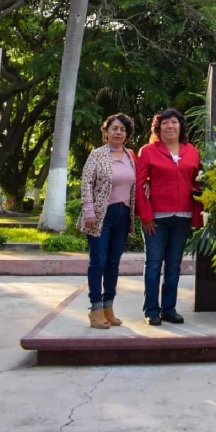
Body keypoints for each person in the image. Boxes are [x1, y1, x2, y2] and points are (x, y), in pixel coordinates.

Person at [136, 108, 202, 326]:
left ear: (181, 126)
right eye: (165, 123)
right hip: (156, 219)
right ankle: (151, 310)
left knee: (174, 265)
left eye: (174, 122)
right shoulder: (147, 151)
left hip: (182, 217)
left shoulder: (192, 151)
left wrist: (197, 217)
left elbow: (198, 183)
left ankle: (169, 309)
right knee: (154, 264)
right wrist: (145, 216)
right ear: (158, 128)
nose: (170, 126)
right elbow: (139, 185)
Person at [76, 113, 136, 329]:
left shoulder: (130, 156)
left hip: (122, 216)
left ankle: (109, 306)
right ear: (106, 132)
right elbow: (86, 184)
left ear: (126, 135)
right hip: (100, 216)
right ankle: (95, 308)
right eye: (114, 128)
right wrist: (89, 211)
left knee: (113, 263)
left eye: (122, 129)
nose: (118, 132)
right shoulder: (97, 155)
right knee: (98, 262)